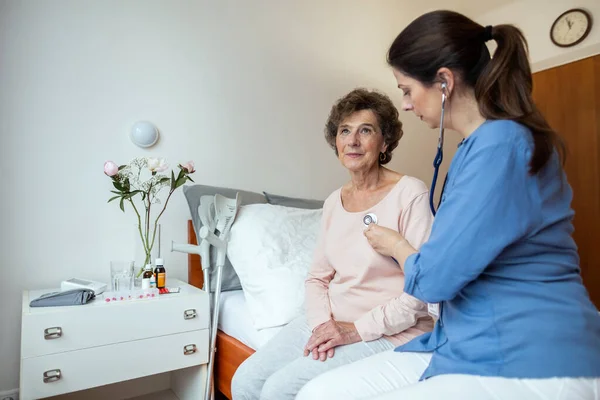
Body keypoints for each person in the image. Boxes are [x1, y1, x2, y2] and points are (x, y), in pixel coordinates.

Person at [295, 10, 600, 400]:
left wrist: (396, 246)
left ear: (443, 82)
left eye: (406, 89)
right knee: (318, 392)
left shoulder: (499, 146)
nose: (405, 104)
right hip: (465, 341)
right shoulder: (481, 148)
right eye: (345, 132)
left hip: (530, 353)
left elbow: (434, 281)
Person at [230, 88, 435, 400]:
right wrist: (323, 325)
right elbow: (317, 277)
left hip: (392, 330)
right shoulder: (333, 202)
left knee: (280, 389)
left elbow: (421, 291)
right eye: (344, 131)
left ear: (385, 142)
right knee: (245, 381)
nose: (352, 141)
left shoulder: (410, 193)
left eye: (365, 130)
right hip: (332, 320)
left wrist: (353, 330)